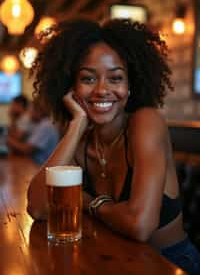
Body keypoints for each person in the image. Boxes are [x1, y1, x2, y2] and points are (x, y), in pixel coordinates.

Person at [27, 18, 200, 273]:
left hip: (171, 264)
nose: (102, 90)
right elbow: (38, 206)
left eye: (115, 78)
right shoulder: (81, 138)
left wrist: (88, 202)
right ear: (71, 88)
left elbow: (140, 225)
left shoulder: (146, 122)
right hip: (110, 261)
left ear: (130, 86)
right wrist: (76, 125)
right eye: (87, 79)